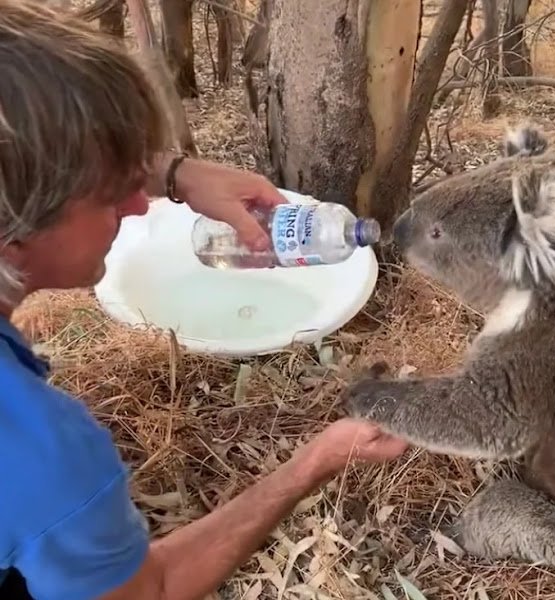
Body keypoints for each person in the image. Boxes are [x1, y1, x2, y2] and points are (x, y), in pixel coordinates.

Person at [0, 2, 409, 599]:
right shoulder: (44, 453)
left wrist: (174, 174)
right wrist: (313, 463)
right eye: (110, 194)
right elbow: (153, 588)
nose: (139, 206)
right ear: (15, 230)